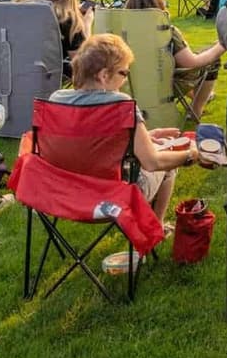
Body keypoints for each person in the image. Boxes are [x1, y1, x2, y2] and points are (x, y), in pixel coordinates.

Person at [54, 33, 200, 233]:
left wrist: (145, 137)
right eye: (123, 73)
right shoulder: (120, 105)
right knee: (168, 162)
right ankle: (155, 228)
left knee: (157, 147)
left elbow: (90, 141)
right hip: (113, 198)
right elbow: (152, 162)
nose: (124, 81)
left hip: (64, 194)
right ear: (104, 75)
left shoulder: (56, 100)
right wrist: (191, 154)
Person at [123, 0, 226, 120]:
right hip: (165, 83)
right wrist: (220, 46)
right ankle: (196, 109)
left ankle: (199, 95)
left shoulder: (122, 31)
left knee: (183, 58)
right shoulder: (165, 31)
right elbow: (190, 63)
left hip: (130, 83)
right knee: (211, 59)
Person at [19, 0, 89, 61]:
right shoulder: (66, 19)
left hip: (16, 68)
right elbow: (81, 62)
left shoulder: (22, 4)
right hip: (50, 72)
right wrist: (86, 24)